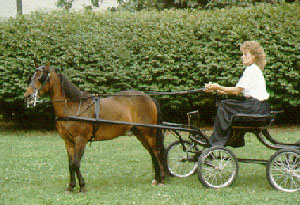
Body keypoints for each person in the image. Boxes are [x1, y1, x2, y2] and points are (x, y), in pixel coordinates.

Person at [205, 41, 270, 147]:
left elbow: (236, 91)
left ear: (253, 57)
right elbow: (238, 91)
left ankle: (218, 141)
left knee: (224, 106)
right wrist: (216, 89)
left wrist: (218, 87)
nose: (242, 57)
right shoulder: (254, 70)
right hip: (259, 106)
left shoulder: (251, 71)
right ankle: (231, 138)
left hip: (255, 107)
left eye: (245, 54)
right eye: (243, 54)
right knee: (226, 104)